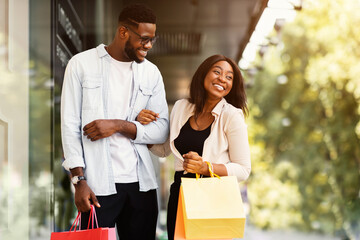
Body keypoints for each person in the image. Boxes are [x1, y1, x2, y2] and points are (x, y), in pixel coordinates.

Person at [60, 3, 169, 239]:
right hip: (98, 187)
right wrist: (79, 181)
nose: (148, 46)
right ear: (123, 32)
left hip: (142, 186)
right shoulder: (81, 65)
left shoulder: (152, 73)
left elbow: (161, 131)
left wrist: (119, 125)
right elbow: (69, 127)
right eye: (144, 39)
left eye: (153, 39)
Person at [137, 54, 251, 240]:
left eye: (229, 77)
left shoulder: (231, 116)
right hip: (180, 193)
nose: (223, 78)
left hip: (211, 195)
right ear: (203, 74)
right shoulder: (182, 107)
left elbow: (243, 169)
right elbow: (165, 150)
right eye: (217, 72)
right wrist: (142, 127)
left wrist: (205, 167)